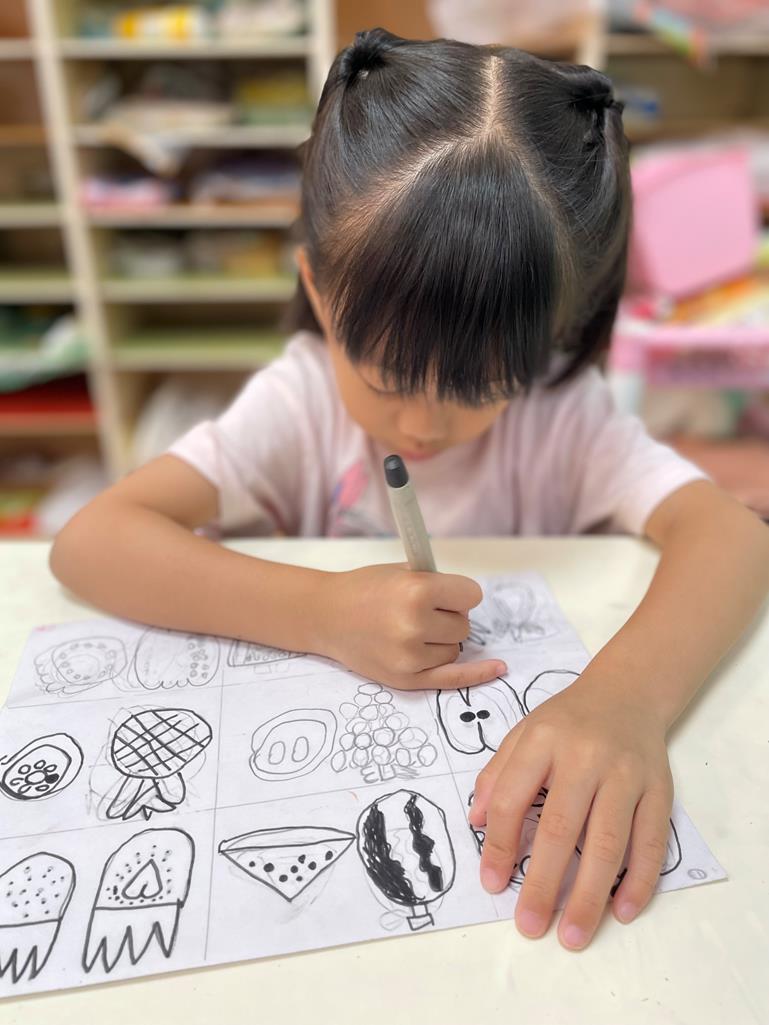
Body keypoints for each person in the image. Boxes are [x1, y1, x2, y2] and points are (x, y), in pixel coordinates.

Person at [50, 29, 769, 952]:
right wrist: (319, 612)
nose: (423, 424)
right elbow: (90, 543)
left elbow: (732, 535)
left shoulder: (561, 415)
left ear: (555, 334)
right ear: (318, 290)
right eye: (387, 377)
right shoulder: (301, 401)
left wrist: (624, 699)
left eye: (479, 386)